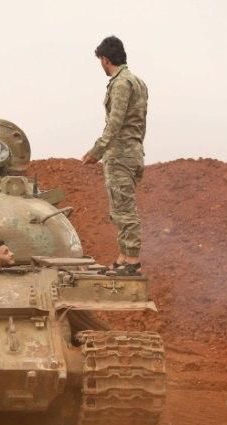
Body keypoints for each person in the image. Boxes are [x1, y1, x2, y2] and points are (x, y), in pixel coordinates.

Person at [81, 35, 148, 276]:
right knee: (120, 207)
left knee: (124, 209)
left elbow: (115, 123)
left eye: (100, 60)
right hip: (132, 153)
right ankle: (123, 257)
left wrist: (97, 151)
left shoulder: (121, 83)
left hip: (120, 155)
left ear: (105, 59)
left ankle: (132, 262)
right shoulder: (138, 82)